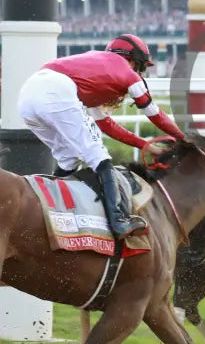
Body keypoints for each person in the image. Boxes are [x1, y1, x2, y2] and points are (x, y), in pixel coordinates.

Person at [17, 34, 184, 239]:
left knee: (68, 156)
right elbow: (155, 114)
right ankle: (119, 221)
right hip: (56, 92)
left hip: (27, 97)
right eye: (139, 66)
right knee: (99, 156)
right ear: (131, 59)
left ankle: (49, 211)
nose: (139, 72)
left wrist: (143, 144)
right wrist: (183, 137)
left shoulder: (95, 70)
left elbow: (106, 125)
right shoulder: (127, 73)